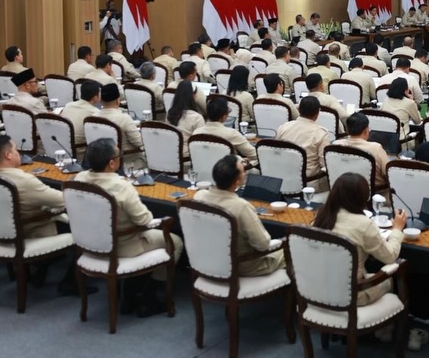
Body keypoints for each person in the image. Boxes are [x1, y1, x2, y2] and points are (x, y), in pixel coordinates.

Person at [76, 138, 184, 316]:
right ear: (112, 163)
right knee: (176, 242)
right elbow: (145, 220)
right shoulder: (121, 187)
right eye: (119, 155)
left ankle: (131, 293)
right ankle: (149, 298)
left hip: (89, 243)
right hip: (124, 246)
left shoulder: (79, 179)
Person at [312, 173, 405, 305]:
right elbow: (390, 256)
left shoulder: (321, 216)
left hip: (318, 290)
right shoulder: (363, 224)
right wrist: (397, 229)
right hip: (351, 296)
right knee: (389, 279)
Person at [194, 155, 286, 275]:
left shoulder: (199, 196)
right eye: (243, 171)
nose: (245, 172)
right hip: (243, 266)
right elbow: (263, 245)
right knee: (293, 248)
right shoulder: (241, 207)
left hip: (209, 259)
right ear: (237, 182)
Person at [0, 135, 65, 239]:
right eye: (16, 150)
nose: (18, 153)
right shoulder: (25, 181)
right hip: (32, 234)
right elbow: (65, 200)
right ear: (8, 155)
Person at [275, 96, 332, 190]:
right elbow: (325, 164)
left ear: (299, 109)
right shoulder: (321, 133)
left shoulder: (283, 127)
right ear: (317, 113)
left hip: (284, 181)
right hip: (309, 184)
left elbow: (277, 153)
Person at [334, 113, 390, 193]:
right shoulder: (375, 148)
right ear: (366, 131)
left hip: (343, 193)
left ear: (347, 130)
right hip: (374, 194)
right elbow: (389, 174)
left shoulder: (336, 145)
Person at [192, 97, 257, 163]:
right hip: (228, 169)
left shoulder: (196, 133)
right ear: (224, 116)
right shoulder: (232, 134)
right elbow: (255, 155)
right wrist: (239, 159)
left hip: (202, 169)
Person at [97, 83, 145, 165]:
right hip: (127, 160)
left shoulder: (93, 117)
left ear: (101, 101)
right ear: (118, 101)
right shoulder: (124, 118)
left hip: (100, 161)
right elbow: (139, 142)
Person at [61, 80, 101, 146]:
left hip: (62, 144)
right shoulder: (95, 113)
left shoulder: (68, 105)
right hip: (80, 149)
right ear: (95, 98)